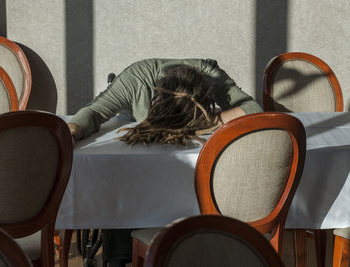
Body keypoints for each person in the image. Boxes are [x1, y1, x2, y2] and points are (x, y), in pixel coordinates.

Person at [67, 58, 262, 266]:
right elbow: (95, 112)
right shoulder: (136, 79)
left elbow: (253, 110)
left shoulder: (211, 75)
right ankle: (120, 254)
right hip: (140, 149)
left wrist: (203, 119)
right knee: (122, 176)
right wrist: (71, 132)